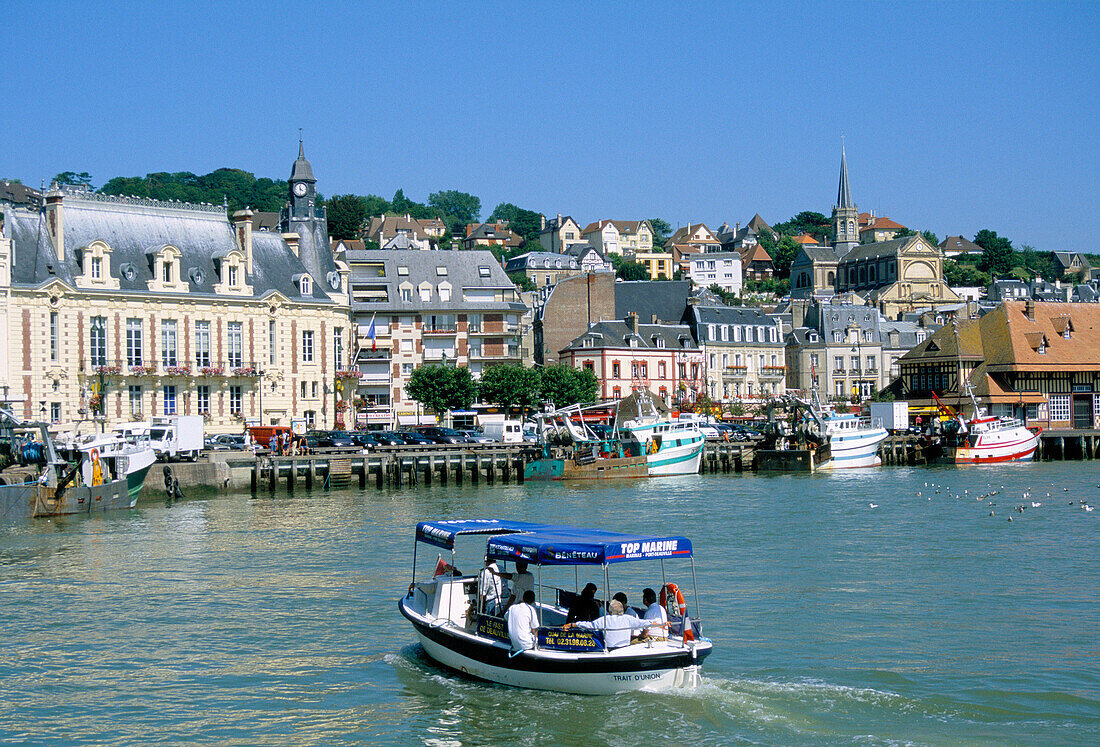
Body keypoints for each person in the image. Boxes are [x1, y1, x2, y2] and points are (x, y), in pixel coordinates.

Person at [563, 600, 665, 649]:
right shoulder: (628, 618)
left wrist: (571, 625)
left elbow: (588, 625)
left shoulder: (604, 620)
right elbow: (646, 623)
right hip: (625, 649)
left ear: (610, 611)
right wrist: (661, 624)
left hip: (610, 650)